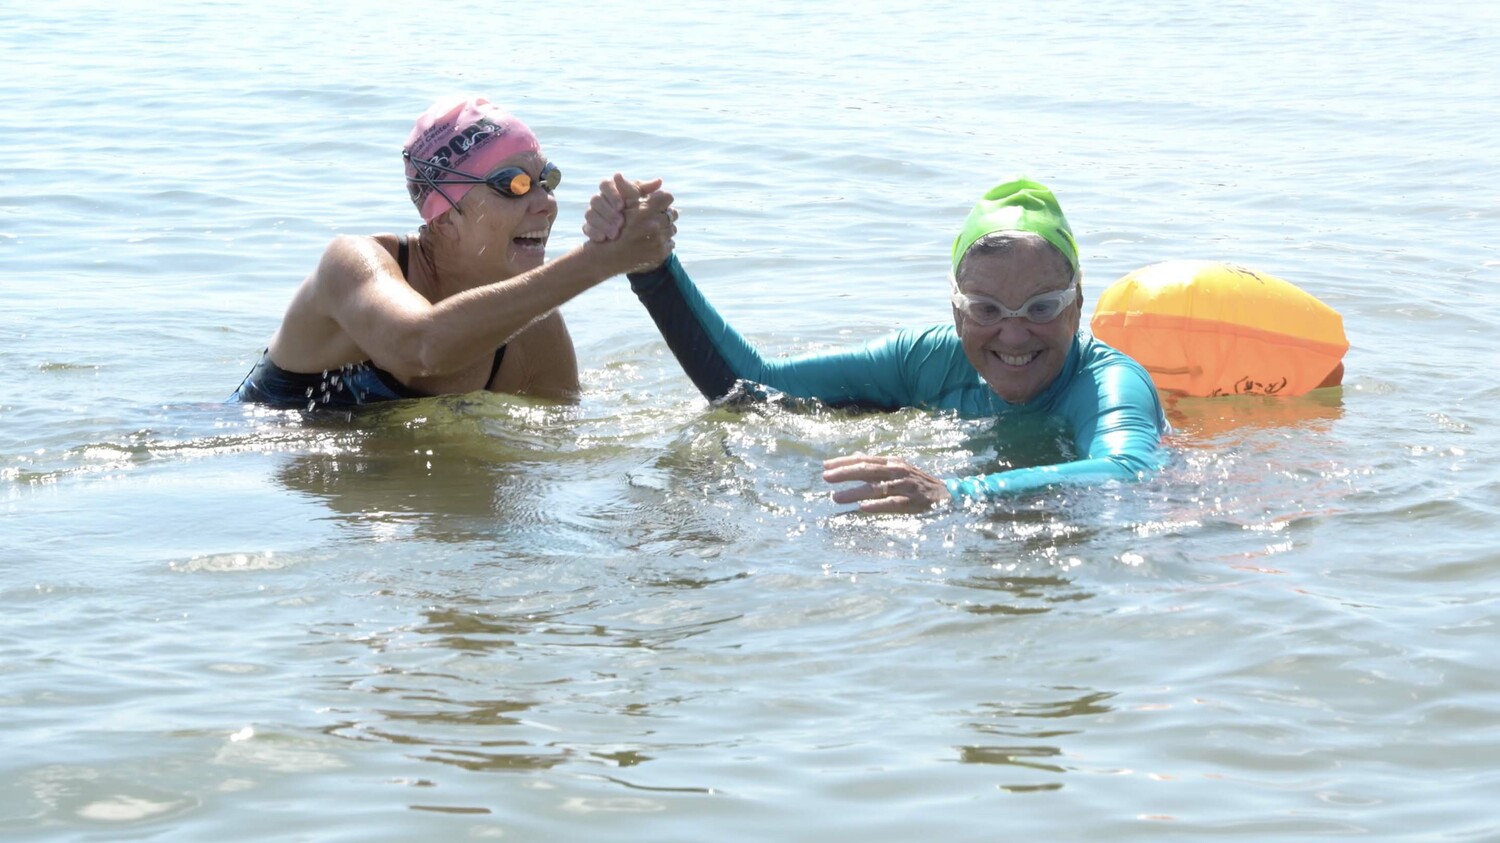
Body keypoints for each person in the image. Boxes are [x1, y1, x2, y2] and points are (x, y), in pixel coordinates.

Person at [584, 177, 1169, 513]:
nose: (1013, 335)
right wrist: (652, 267)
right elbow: (750, 390)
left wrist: (956, 493)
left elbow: (1130, 470)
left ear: (1077, 302)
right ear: (955, 309)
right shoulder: (929, 359)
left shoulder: (1109, 384)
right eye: (986, 310)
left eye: (1041, 308)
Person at [232, 95, 677, 411]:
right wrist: (599, 260)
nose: (545, 201)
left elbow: (562, 450)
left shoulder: (533, 333)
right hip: (249, 458)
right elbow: (421, 347)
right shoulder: (352, 265)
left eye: (548, 179)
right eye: (514, 184)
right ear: (444, 217)